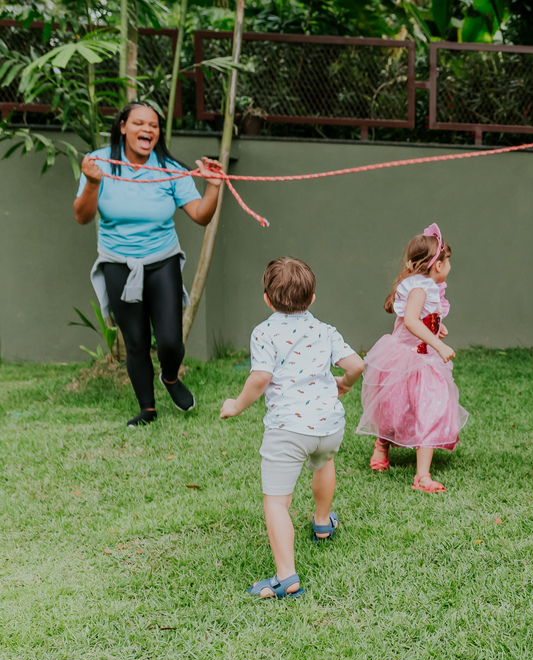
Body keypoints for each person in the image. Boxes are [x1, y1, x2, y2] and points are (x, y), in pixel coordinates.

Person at [219, 257, 364, 599]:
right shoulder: (324, 330)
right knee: (324, 462)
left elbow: (261, 377)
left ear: (267, 299)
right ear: (312, 298)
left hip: (288, 429)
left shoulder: (265, 331)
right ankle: (323, 522)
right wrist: (344, 382)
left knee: (276, 503)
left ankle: (286, 577)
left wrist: (236, 405)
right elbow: (357, 364)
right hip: (329, 426)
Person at [73, 101, 223, 427]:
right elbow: (82, 216)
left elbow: (200, 215)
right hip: (117, 263)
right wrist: (93, 183)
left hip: (161, 261)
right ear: (123, 126)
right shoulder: (99, 163)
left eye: (153, 125)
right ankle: (147, 409)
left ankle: (170, 376)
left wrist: (213, 186)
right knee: (136, 340)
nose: (148, 130)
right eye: (139, 123)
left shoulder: (169, 168)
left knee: (170, 339)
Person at [357, 224, 467, 493]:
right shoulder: (420, 288)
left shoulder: (429, 287)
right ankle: (382, 444)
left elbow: (422, 319)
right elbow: (409, 321)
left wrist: (436, 326)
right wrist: (438, 345)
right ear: (438, 265)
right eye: (448, 260)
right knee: (393, 408)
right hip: (405, 358)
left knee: (431, 407)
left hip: (425, 360)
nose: (449, 265)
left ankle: (422, 476)